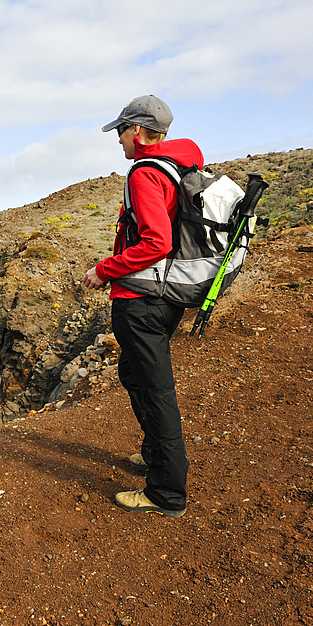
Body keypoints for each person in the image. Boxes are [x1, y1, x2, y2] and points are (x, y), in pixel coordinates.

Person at [81, 94, 203, 518]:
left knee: (155, 390)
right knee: (133, 372)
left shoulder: (145, 173)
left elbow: (157, 242)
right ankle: (155, 455)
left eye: (119, 133)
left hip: (141, 300)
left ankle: (166, 492)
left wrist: (105, 270)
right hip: (167, 296)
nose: (118, 142)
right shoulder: (181, 164)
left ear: (136, 131)